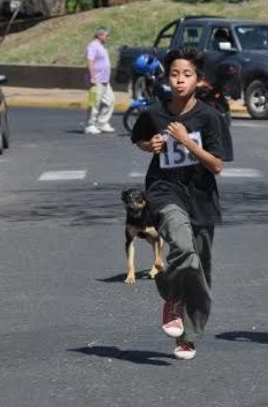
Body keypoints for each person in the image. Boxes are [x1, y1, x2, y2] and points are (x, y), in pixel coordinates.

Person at [130, 47, 228, 360]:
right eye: (174, 74)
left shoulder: (210, 117)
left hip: (200, 195)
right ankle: (171, 297)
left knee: (201, 269)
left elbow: (217, 165)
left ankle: (188, 336)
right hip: (164, 190)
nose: (179, 80)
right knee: (183, 248)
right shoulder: (155, 113)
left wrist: (186, 141)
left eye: (187, 74)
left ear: (199, 80)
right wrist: (151, 144)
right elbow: (140, 138)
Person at [84, 27, 115, 134]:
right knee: (94, 103)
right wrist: (92, 77)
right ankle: (90, 125)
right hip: (96, 80)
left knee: (110, 101)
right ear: (100, 35)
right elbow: (90, 61)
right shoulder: (92, 46)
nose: (107, 38)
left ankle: (101, 123)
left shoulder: (102, 47)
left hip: (105, 80)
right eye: (106, 35)